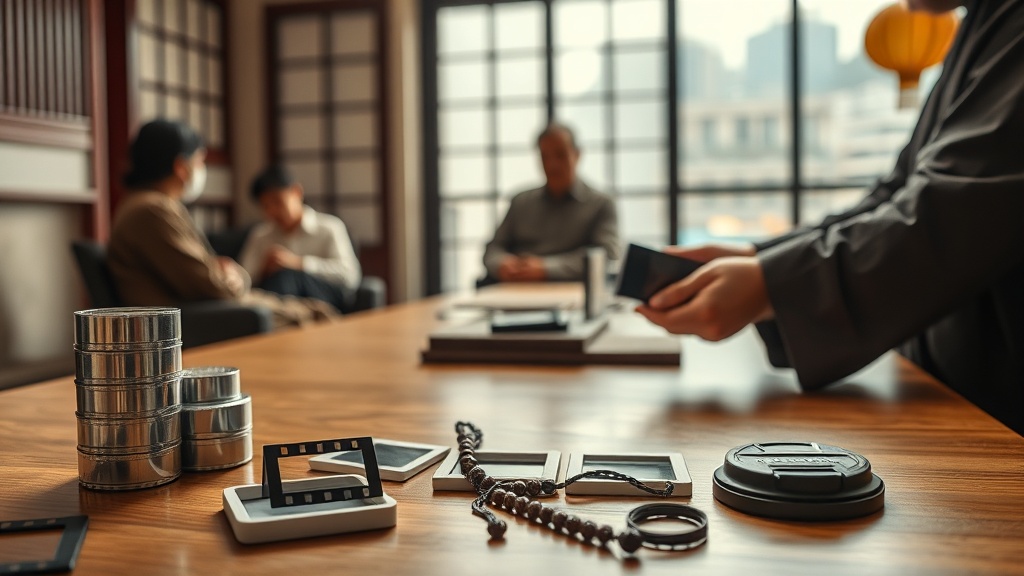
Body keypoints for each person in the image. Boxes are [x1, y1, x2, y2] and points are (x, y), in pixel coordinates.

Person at [636, 0, 1024, 435]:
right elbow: (898, 194)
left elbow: (954, 213)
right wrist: (759, 256)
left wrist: (768, 283)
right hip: (951, 400)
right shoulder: (986, 22)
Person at [108, 119, 336, 328]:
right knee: (314, 315)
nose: (201, 169)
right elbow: (208, 284)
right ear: (180, 167)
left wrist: (227, 273)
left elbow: (196, 272)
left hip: (202, 308)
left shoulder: (142, 204)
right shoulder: (153, 210)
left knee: (314, 311)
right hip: (199, 316)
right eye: (199, 161)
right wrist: (232, 277)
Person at [482, 122, 620, 283]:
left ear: (577, 154)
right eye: (544, 156)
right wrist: (502, 264)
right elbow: (493, 249)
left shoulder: (601, 204)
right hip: (515, 289)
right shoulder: (520, 202)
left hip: (573, 293)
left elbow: (606, 257)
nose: (552, 164)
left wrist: (545, 268)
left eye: (560, 155)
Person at [238, 166, 361, 312]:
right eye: (265, 206)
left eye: (278, 202)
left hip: (324, 297)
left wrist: (299, 263)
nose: (272, 212)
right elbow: (242, 279)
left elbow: (349, 276)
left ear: (297, 192)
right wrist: (264, 269)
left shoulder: (329, 227)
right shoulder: (260, 235)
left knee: (288, 277)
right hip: (275, 296)